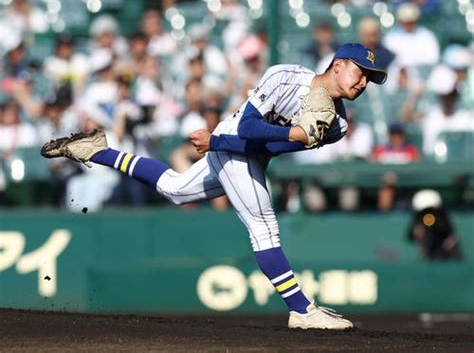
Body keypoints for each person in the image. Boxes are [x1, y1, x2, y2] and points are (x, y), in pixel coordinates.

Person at [40, 43, 387, 330]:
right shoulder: (285, 77)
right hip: (232, 140)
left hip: (237, 151)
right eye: (361, 72)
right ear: (338, 65)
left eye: (370, 79)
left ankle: (98, 151)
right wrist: (228, 140)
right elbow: (250, 129)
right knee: (263, 226)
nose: (363, 83)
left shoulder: (338, 124)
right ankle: (302, 310)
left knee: (175, 189)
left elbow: (271, 148)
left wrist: (226, 143)